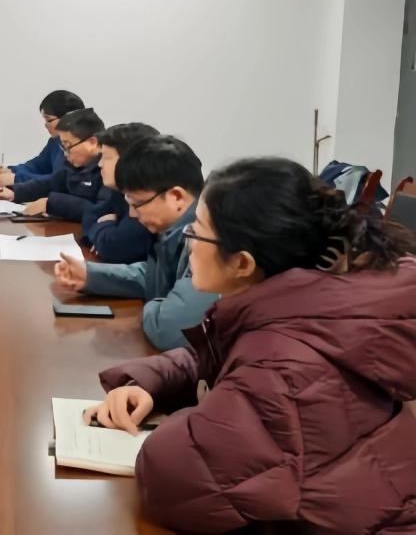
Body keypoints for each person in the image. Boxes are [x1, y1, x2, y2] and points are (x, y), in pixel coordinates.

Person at [84, 158, 416, 534]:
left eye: (197, 232)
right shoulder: (302, 308)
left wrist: (198, 410)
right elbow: (224, 360)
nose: (187, 242)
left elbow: (175, 481)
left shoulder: (285, 364)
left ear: (242, 263)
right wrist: (153, 381)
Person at [54, 134, 216, 350]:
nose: (132, 213)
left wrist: (156, 304)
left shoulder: (209, 241)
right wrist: (91, 275)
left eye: (137, 203)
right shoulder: (175, 231)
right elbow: (153, 276)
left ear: (176, 196)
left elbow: (170, 330)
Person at [0, 108, 106, 220]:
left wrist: (50, 203)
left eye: (68, 146)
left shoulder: (109, 169)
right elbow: (52, 183)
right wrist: (15, 193)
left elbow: (100, 211)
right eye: (63, 147)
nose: (65, 154)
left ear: (92, 143)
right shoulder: (75, 165)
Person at [82, 123, 158, 264]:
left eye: (106, 157)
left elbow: (114, 247)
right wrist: (106, 233)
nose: (99, 164)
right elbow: (89, 216)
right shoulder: (119, 192)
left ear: (128, 161)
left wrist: (107, 224)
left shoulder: (146, 197)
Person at [0, 90, 84, 187]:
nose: (45, 125)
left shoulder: (85, 147)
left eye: (48, 120)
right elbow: (37, 166)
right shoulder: (55, 141)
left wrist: (16, 179)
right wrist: (11, 170)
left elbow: (60, 181)